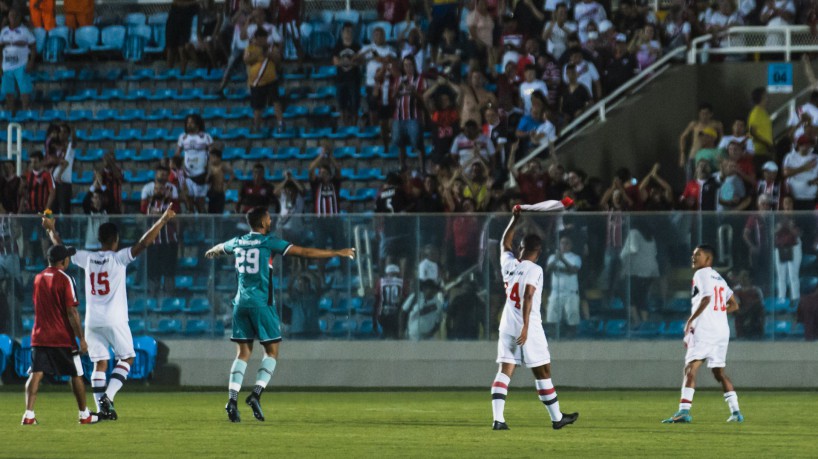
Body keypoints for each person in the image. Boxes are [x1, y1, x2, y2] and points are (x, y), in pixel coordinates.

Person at [204, 206, 355, 423]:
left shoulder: (238, 241)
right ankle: (255, 395)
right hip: (262, 305)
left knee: (243, 354)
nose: (270, 220)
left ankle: (232, 400)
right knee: (272, 352)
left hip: (240, 304)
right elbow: (304, 252)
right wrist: (336, 252)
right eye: (267, 218)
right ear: (262, 223)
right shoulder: (269, 242)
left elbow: (221, 247)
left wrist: (212, 250)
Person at [42, 207, 176, 420]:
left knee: (100, 364)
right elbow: (144, 243)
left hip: (92, 321)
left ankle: (102, 409)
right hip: (115, 319)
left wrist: (51, 229)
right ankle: (108, 398)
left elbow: (60, 249)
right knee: (128, 358)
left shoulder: (87, 257)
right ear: (116, 240)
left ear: (99, 239)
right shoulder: (119, 257)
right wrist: (163, 219)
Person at [491, 205, 578, 431]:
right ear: (538, 252)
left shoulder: (508, 264)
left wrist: (514, 219)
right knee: (543, 370)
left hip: (507, 323)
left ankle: (498, 419)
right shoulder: (535, 270)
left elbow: (504, 243)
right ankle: (557, 418)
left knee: (505, 370)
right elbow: (529, 295)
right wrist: (526, 328)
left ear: (521, 247)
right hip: (527, 326)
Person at [662, 244, 744, 424]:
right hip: (722, 331)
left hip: (706, 330)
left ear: (708, 259)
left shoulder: (701, 274)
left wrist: (690, 319)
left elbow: (707, 298)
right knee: (719, 373)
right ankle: (736, 412)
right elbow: (734, 304)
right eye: (693, 255)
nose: (693, 258)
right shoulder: (719, 278)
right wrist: (718, 312)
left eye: (697, 255)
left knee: (690, 368)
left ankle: (684, 411)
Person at [23, 244, 99, 425]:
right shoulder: (66, 279)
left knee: (36, 373)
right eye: (68, 257)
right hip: (62, 336)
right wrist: (81, 338)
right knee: (76, 374)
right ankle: (84, 415)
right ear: (63, 260)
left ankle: (28, 414)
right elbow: (72, 312)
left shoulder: (38, 278)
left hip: (40, 335)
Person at [174, 114, 213, 213]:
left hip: (201, 174)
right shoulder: (183, 137)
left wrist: (209, 172)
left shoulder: (206, 137)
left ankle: (203, 224)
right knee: (189, 202)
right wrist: (180, 175)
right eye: (187, 122)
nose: (189, 124)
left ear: (197, 123)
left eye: (191, 122)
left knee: (200, 203)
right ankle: (191, 226)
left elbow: (212, 156)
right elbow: (177, 157)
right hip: (187, 174)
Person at [0, 9, 36, 112]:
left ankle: (25, 113)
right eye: (12, 15)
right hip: (6, 66)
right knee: (8, 92)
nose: (13, 17)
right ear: (8, 17)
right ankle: (11, 113)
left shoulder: (25, 31)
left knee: (24, 91)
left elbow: (33, 47)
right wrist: (0, 64)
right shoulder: (3, 31)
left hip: (21, 65)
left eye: (16, 15)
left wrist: (31, 62)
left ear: (20, 18)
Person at [545, 235, 581, 335]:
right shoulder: (552, 257)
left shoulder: (575, 257)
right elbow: (548, 269)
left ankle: (571, 340)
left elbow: (573, 270)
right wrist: (557, 259)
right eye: (562, 243)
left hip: (570, 293)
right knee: (552, 318)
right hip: (556, 293)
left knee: (572, 318)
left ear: (571, 245)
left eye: (567, 243)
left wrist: (562, 260)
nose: (564, 245)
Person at [206, 148, 232, 214]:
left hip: (219, 192)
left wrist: (227, 185)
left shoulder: (222, 166)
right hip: (211, 192)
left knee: (219, 212)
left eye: (212, 157)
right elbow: (207, 180)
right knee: (210, 212)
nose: (210, 159)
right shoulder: (210, 167)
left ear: (217, 157)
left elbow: (232, 174)